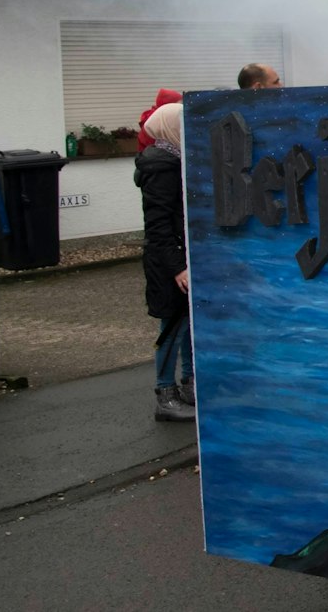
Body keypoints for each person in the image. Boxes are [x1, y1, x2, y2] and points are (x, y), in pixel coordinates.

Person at [137, 102, 193, 423]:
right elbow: (158, 227)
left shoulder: (174, 161)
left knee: (186, 325)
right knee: (171, 326)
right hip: (168, 265)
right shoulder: (161, 167)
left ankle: (188, 384)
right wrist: (178, 268)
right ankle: (165, 395)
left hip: (177, 259)